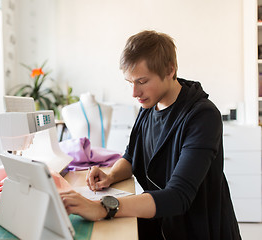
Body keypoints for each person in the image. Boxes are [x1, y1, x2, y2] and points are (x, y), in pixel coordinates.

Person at [60, 30, 241, 239]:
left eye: (142, 81)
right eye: (130, 82)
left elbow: (178, 196)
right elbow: (130, 157)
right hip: (161, 224)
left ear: (170, 70)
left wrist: (103, 207)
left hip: (197, 231)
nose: (134, 93)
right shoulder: (148, 108)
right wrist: (110, 175)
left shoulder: (202, 116)